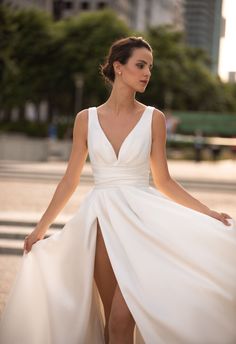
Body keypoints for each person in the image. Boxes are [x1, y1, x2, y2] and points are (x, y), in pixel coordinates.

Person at [0, 37, 236, 344]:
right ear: (118, 68)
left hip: (143, 225)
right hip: (100, 224)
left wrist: (208, 213)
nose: (147, 73)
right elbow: (69, 180)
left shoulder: (154, 118)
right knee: (113, 328)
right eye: (140, 65)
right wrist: (40, 229)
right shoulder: (85, 119)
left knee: (123, 321)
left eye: (150, 67)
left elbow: (163, 180)